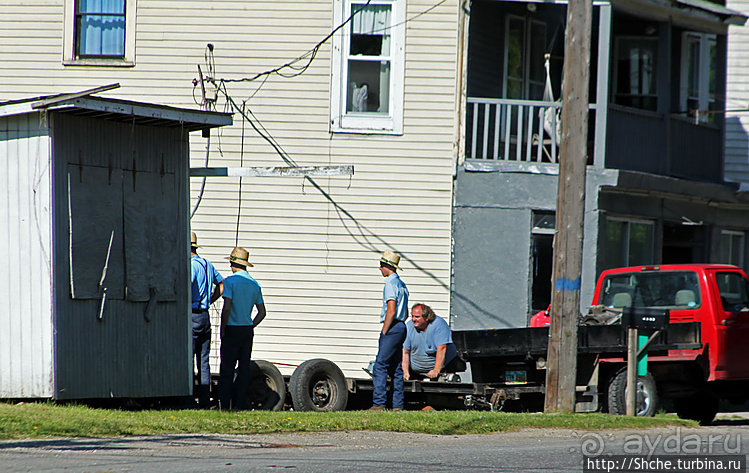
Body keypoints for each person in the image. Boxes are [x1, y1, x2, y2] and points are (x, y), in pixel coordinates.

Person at [218, 246, 266, 410]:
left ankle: (225, 404)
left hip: (232, 328)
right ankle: (240, 404)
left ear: (232, 263)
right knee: (243, 368)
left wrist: (223, 327)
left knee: (227, 368)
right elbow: (262, 312)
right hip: (247, 329)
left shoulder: (230, 281)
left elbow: (227, 307)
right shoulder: (255, 284)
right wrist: (251, 324)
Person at [369, 250, 409, 411]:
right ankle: (397, 405)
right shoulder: (402, 284)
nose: (380, 269)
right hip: (401, 326)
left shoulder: (390, 284)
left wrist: (384, 331)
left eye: (381, 266)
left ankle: (379, 403)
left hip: (392, 326)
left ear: (387, 266)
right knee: (396, 367)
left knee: (380, 365)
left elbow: (391, 310)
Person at [190, 231, 223, 408]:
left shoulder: (191, 265)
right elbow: (221, 284)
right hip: (205, 314)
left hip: (193, 314)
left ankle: (188, 398)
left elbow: (188, 284)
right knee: (203, 361)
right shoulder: (207, 264)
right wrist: (210, 299)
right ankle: (204, 400)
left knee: (189, 360)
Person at [402, 303, 460, 381]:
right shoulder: (409, 327)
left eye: (417, 317)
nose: (413, 319)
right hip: (416, 371)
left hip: (442, 369)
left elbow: (442, 348)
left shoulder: (439, 325)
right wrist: (405, 372)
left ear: (426, 318)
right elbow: (405, 352)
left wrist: (436, 370)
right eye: (412, 316)